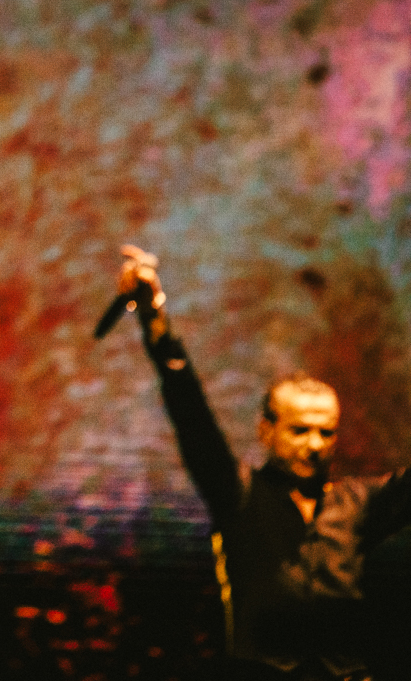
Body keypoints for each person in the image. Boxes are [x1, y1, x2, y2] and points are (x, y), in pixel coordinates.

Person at [113, 245, 411, 681]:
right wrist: (155, 322)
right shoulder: (241, 496)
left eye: (326, 432)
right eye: (300, 430)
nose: (315, 444)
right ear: (266, 431)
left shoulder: (357, 503)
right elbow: (193, 419)